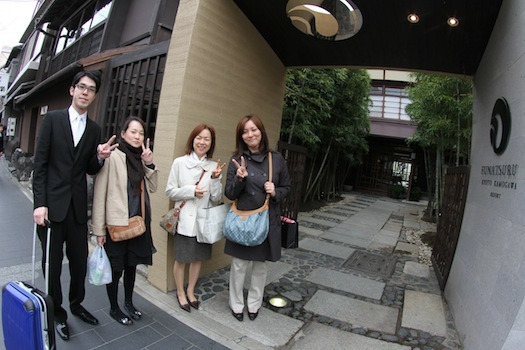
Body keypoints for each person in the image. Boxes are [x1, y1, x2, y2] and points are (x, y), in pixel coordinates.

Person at [32, 70, 118, 341]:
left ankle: (77, 303)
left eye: (90, 89)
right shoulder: (53, 120)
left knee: (79, 263)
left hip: (78, 208)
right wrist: (39, 204)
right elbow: (40, 164)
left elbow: (89, 168)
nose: (85, 92)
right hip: (52, 208)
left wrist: (100, 157)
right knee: (53, 265)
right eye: (81, 87)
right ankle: (57, 313)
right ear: (72, 90)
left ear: (94, 96)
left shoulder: (94, 129)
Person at [92, 116, 158, 325]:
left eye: (141, 133)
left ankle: (129, 303)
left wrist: (149, 163)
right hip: (116, 224)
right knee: (116, 268)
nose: (138, 136)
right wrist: (98, 229)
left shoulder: (141, 159)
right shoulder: (112, 157)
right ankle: (114, 308)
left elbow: (154, 187)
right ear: (123, 134)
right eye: (133, 132)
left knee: (132, 266)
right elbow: (100, 193)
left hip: (138, 224)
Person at [224, 114, 291, 322]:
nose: (250, 134)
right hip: (244, 220)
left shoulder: (276, 158)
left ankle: (254, 304)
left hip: (267, 221)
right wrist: (239, 179)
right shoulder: (236, 160)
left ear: (261, 131)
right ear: (241, 136)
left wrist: (275, 191)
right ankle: (236, 303)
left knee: (260, 267)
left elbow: (287, 187)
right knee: (239, 266)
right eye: (245, 131)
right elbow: (229, 193)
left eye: (253, 129)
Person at [165, 123, 226, 312]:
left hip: (203, 222)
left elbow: (216, 198)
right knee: (182, 258)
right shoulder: (179, 163)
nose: (202, 142)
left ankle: (191, 290)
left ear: (211, 143)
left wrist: (215, 179)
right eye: (199, 137)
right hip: (184, 219)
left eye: (207, 139)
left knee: (198, 259)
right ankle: (180, 292)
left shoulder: (213, 166)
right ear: (192, 140)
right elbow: (170, 191)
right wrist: (191, 191)